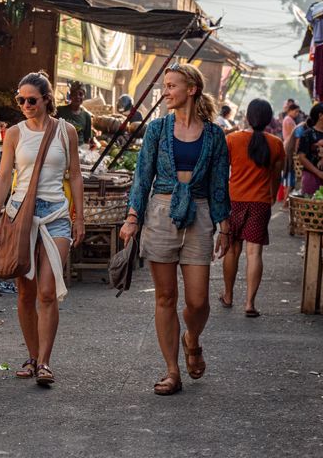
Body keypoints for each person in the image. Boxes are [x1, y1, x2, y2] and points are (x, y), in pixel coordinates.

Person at [120, 63, 231, 396]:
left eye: (171, 86)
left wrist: (224, 223)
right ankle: (171, 371)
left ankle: (191, 339)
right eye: (165, 86)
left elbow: (218, 182)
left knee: (198, 301)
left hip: (198, 214)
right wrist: (132, 216)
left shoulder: (214, 135)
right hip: (160, 211)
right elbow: (143, 177)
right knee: (166, 297)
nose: (165, 92)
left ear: (191, 90)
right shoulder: (156, 130)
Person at [0, 71, 85, 386]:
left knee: (47, 291)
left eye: (32, 100)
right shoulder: (14, 133)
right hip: (20, 215)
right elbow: (4, 178)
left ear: (46, 100)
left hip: (56, 215)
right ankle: (31, 357)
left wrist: (79, 217)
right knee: (25, 292)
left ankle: (45, 362)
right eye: (21, 100)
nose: (26, 105)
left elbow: (76, 175)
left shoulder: (66, 131)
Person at [220, 99, 285, 317]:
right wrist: (271, 196)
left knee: (232, 248)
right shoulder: (276, 144)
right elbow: (276, 177)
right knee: (254, 252)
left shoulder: (232, 140)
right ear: (269, 120)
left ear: (247, 117)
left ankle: (228, 296)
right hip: (260, 202)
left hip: (234, 200)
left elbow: (221, 172)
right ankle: (249, 303)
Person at [298, 102, 323, 195]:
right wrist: (319, 173)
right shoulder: (308, 134)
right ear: (321, 116)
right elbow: (302, 157)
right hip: (312, 177)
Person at [56, 81, 93, 146]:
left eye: (80, 94)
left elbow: (87, 140)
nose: (77, 97)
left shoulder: (87, 116)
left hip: (80, 151)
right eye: (74, 94)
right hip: (61, 149)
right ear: (70, 96)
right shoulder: (59, 111)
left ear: (84, 97)